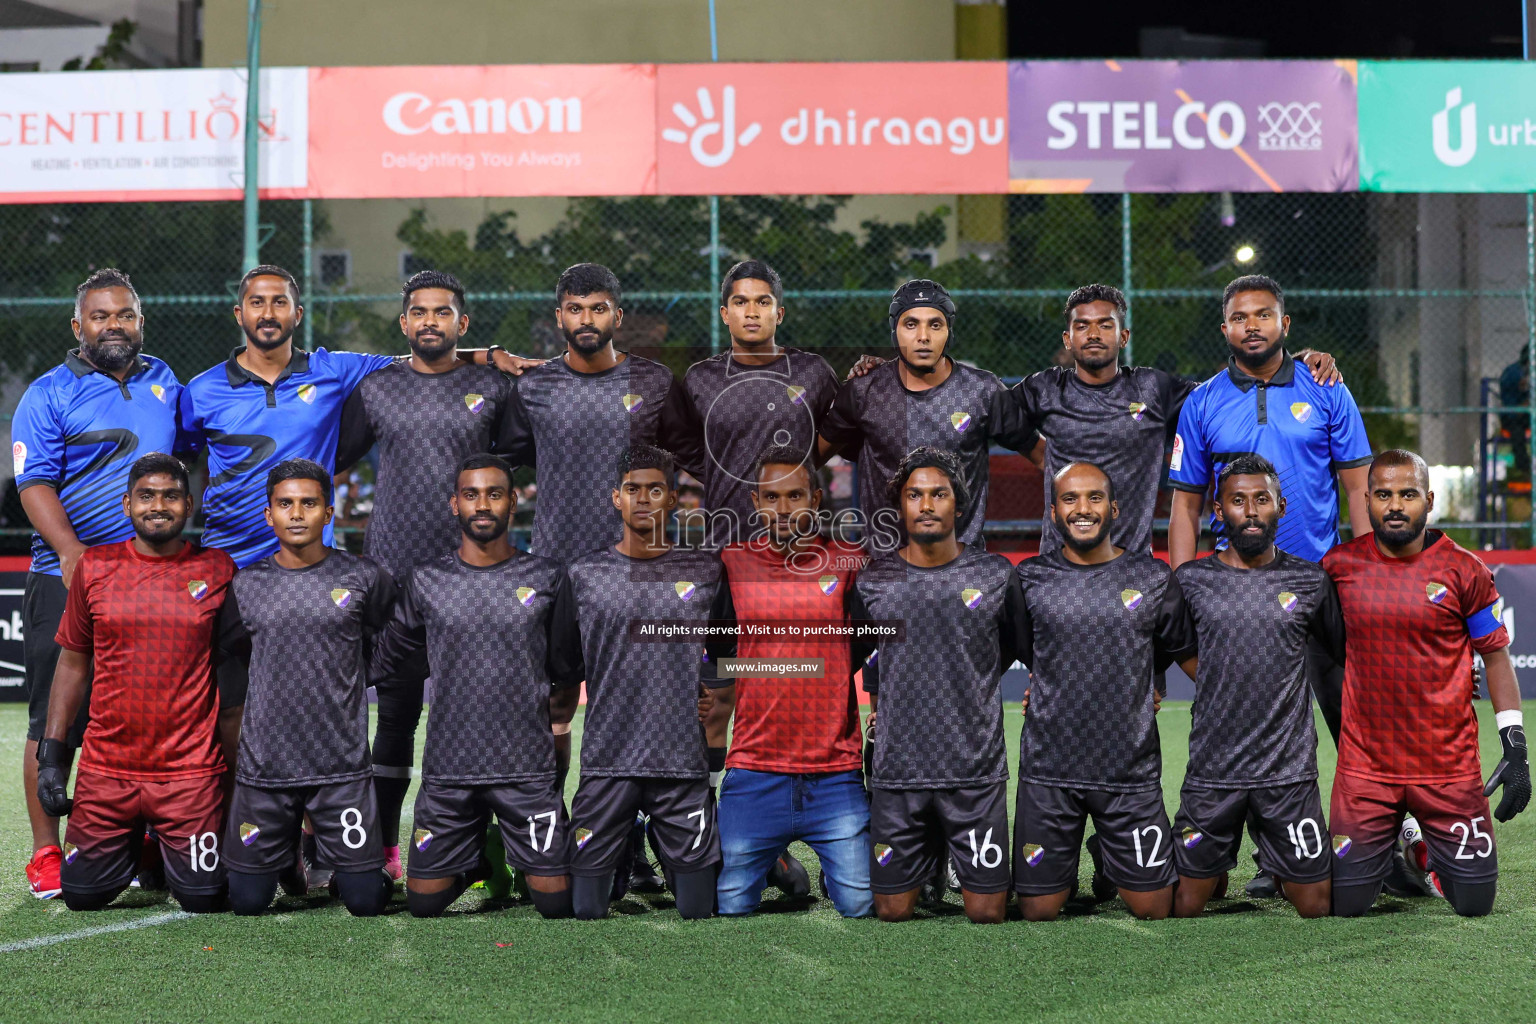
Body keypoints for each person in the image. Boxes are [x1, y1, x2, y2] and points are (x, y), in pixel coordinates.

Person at [1166, 273, 1373, 896]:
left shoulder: (1327, 387)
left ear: (1285, 323)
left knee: (1352, 722)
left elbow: (1358, 486)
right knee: (1249, 726)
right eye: (1239, 316)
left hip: (1320, 585)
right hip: (1235, 595)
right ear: (1225, 328)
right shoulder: (1201, 402)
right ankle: (1273, 858)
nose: (1251, 325)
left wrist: (1366, 571)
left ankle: (1377, 846)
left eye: (1264, 314)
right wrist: (1184, 589)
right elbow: (1184, 507)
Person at [333, 270, 524, 879]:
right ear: (404, 323)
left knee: (483, 716)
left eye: (442, 313)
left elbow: (522, 458)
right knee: (394, 719)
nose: (430, 322)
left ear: (461, 325)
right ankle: (385, 847)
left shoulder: (493, 388)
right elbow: (331, 458)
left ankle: (492, 848)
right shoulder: (378, 389)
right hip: (393, 577)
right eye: (419, 312)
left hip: (475, 579)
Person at [179, 264, 537, 570]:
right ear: (240, 314)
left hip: (312, 557)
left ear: (298, 314)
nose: (269, 313)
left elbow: (422, 358)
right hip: (226, 553)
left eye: (280, 302)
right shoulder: (200, 389)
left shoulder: (334, 370)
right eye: (257, 303)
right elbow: (183, 458)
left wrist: (489, 357)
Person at [12, 269, 183, 898]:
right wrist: (71, 552)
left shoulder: (166, 381)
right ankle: (44, 852)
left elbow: (190, 460)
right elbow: (34, 485)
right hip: (69, 578)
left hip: (151, 580)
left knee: (144, 716)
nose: (115, 326)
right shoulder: (49, 393)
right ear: (78, 326)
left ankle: (135, 839)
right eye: (102, 316)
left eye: (126, 315)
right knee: (52, 721)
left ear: (140, 321)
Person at [370, 455, 579, 918]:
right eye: (471, 495)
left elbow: (565, 679)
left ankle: (522, 852)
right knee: (424, 904)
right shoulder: (427, 580)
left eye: (494, 493)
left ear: (513, 502)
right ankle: (481, 859)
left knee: (559, 903)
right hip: (449, 771)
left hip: (526, 772)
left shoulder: (547, 576)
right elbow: (388, 659)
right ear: (454, 505)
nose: (482, 504)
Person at [1323, 449, 1530, 917]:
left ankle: (1418, 849)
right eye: (1383, 495)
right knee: (1343, 904)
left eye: (1408, 494)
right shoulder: (1338, 567)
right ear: (1367, 501)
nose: (1395, 505)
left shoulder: (1465, 570)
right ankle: (1403, 841)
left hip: (1447, 769)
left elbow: (1495, 657)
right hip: (1366, 772)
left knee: (1475, 903)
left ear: (1429, 500)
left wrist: (1515, 745)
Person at [36, 454, 237, 913]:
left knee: (205, 898)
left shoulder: (218, 569)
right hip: (107, 769)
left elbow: (236, 677)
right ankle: (144, 844)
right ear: (127, 504)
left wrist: (237, 770)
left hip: (189, 772)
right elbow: (72, 665)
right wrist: (52, 756)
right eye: (146, 496)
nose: (158, 505)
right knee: (83, 897)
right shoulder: (95, 567)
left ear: (189, 505)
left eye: (170, 496)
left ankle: (159, 843)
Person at [1011, 283, 1339, 558]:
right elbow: (999, 419)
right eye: (1082, 326)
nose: (1094, 334)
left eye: (1105, 325)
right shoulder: (1045, 388)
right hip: (1058, 563)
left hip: (1133, 566)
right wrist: (1042, 453)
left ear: (1123, 337)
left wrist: (1296, 362)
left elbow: (1229, 391)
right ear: (1068, 339)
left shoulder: (1153, 389)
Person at [557, 444, 735, 920]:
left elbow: (725, 651)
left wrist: (708, 693)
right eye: (632, 489)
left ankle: (656, 837)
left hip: (681, 766)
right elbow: (565, 667)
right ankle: (619, 851)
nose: (642, 499)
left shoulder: (705, 570)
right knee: (585, 910)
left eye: (654, 490)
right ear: (616, 497)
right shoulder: (584, 574)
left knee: (700, 909)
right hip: (607, 765)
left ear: (672, 498)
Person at [848, 446, 1024, 924]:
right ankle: (929, 854)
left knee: (988, 913)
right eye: (915, 495)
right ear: (900, 507)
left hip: (974, 772)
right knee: (890, 912)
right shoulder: (874, 580)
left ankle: (947, 849)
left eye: (938, 494)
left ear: (959, 507)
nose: (926, 505)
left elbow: (1012, 648)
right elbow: (859, 653)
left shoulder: (995, 575)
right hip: (899, 771)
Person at [1013, 462, 1195, 922]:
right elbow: (1020, 648)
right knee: (1037, 912)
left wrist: (1144, 677)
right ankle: (1077, 859)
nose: (1083, 509)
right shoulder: (1030, 578)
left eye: (1094, 498)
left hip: (1128, 772)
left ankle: (1107, 856)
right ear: (1053, 512)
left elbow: (1182, 649)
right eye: (1070, 499)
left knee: (1155, 909)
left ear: (1113, 508)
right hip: (1049, 770)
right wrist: (1056, 680)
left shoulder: (1152, 577)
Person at [216, 459, 397, 917]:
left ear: (328, 513)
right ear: (269, 515)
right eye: (285, 504)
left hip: (341, 771)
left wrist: (352, 680)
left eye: (309, 503)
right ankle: (285, 858)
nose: (297, 513)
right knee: (247, 903)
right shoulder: (247, 584)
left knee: (366, 901)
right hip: (266, 772)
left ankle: (348, 864)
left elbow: (388, 640)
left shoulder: (364, 577)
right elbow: (233, 654)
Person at [1169, 454, 1345, 918]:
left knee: (1316, 905)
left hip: (1287, 773)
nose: (1250, 511)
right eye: (1238, 501)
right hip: (1214, 770)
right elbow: (1175, 647)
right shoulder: (1191, 581)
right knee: (1184, 905)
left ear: (1281, 506)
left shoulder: (1310, 580)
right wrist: (1214, 677)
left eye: (1261, 500)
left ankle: (1280, 863)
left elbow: (1342, 655)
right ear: (1219, 509)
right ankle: (1217, 863)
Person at [706, 444, 871, 917]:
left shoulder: (848, 561)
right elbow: (719, 653)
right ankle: (777, 859)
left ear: (816, 499)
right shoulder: (733, 564)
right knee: (730, 906)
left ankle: (822, 863)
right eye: (772, 498)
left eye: (795, 496)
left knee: (860, 905)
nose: (783, 509)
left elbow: (861, 643)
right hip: (755, 769)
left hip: (834, 774)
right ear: (755, 502)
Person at [499, 263, 705, 565]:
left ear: (617, 316)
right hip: (557, 560)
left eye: (598, 309)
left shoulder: (655, 382)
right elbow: (503, 462)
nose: (586, 319)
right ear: (559, 317)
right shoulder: (533, 387)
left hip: (636, 562)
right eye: (574, 309)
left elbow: (696, 459)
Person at [817, 279, 1035, 552]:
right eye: (911, 324)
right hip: (884, 569)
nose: (923, 336)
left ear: (949, 332)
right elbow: (808, 462)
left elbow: (1046, 459)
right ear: (894, 331)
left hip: (962, 571)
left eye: (935, 324)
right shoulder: (864, 391)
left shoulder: (984, 392)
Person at [681, 260, 841, 547]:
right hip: (726, 542)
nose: (752, 312)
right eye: (740, 302)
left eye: (762, 302)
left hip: (797, 546)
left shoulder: (813, 372)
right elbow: (686, 445)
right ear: (725, 314)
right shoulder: (700, 379)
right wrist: (725, 473)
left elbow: (842, 429)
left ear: (778, 314)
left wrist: (801, 468)